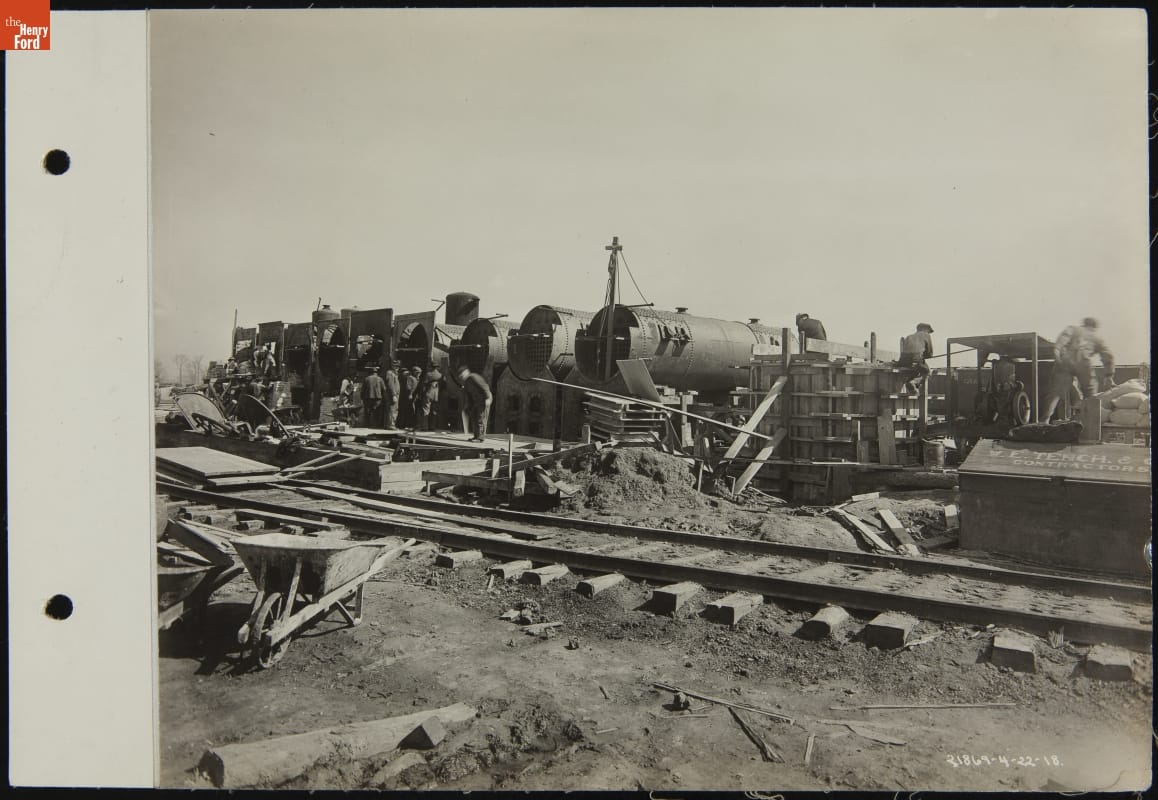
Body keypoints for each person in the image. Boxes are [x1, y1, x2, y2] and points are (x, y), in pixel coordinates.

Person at [1042, 317, 1115, 423]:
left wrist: (1057, 349)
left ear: (1084, 324)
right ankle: (1090, 423)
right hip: (1084, 363)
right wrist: (1109, 375)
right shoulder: (1096, 338)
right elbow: (1107, 355)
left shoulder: (1073, 328)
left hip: (1066, 360)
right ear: (1094, 327)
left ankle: (1044, 421)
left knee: (1055, 393)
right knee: (1090, 393)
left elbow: (1064, 337)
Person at [457, 365, 492, 442]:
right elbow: (469, 395)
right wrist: (468, 406)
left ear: (466, 372)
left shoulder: (473, 377)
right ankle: (476, 436)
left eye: (462, 375)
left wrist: (487, 398)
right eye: (460, 376)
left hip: (484, 400)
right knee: (474, 417)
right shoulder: (466, 382)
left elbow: (485, 387)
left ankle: (480, 438)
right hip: (476, 402)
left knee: (481, 418)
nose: (461, 377)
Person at [898, 323, 935, 393]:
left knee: (915, 370)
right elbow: (930, 353)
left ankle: (912, 385)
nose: (928, 333)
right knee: (927, 371)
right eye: (928, 331)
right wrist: (924, 356)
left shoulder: (909, 336)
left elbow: (905, 351)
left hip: (903, 360)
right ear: (925, 329)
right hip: (915, 358)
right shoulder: (926, 335)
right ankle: (913, 382)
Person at [416, 362, 443, 431]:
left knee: (425, 410)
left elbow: (424, 385)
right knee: (434, 411)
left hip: (428, 393)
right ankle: (432, 427)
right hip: (436, 395)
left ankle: (425, 427)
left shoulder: (428, 374)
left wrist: (421, 394)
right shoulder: (440, 375)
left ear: (431, 367)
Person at [382, 360, 401, 430]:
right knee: (392, 409)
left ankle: (388, 425)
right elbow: (391, 385)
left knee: (392, 409)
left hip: (394, 394)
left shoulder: (394, 373)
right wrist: (393, 395)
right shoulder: (390, 373)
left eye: (398, 366)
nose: (397, 368)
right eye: (395, 366)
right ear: (392, 366)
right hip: (392, 395)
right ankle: (391, 425)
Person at [400, 365, 420, 429]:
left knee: (412, 410)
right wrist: (410, 394)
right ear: (414, 372)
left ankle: (411, 424)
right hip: (409, 396)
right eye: (417, 373)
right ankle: (405, 424)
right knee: (408, 410)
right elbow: (408, 387)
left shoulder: (417, 378)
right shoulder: (410, 378)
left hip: (415, 396)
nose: (419, 374)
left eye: (419, 373)